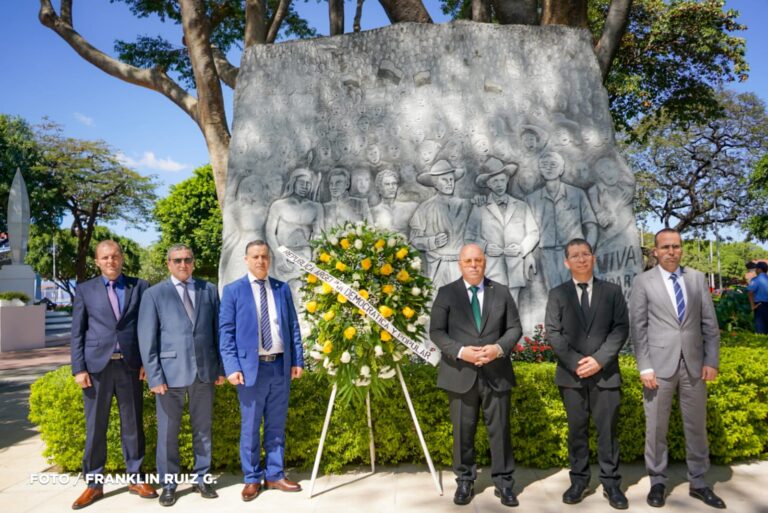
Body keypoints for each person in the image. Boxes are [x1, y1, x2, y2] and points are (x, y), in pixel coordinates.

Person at [629, 228, 725, 509]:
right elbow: (639, 328)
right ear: (655, 251)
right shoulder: (643, 282)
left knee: (696, 427)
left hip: (695, 367)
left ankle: (699, 482)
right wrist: (644, 366)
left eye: (676, 246)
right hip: (658, 368)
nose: (672, 251)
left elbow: (710, 325)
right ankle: (657, 481)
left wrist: (711, 360)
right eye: (666, 247)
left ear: (681, 249)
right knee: (656, 428)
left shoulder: (696, 279)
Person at [429, 243, 522, 507]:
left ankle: (504, 484)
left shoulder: (501, 292)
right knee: (463, 431)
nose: (473, 265)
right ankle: (465, 481)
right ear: (460, 264)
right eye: (468, 260)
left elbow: (514, 328)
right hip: (460, 373)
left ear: (484, 263)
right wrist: (460, 351)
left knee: (500, 430)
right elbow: (436, 332)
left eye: (478, 260)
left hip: (496, 372)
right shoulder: (446, 293)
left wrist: (498, 348)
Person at [69, 240, 156, 509]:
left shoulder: (139, 286)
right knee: (96, 427)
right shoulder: (85, 290)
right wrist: (78, 368)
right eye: (105, 257)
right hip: (96, 368)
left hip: (130, 365)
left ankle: (136, 477)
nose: (111, 261)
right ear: (97, 261)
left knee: (133, 424)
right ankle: (94, 483)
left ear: (122, 258)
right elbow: (77, 332)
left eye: (115, 256)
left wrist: (146, 362)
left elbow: (147, 326)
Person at [545, 239, 629, 509]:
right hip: (571, 376)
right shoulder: (557, 294)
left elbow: (620, 329)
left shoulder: (612, 292)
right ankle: (579, 481)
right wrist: (577, 362)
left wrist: (599, 360)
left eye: (586, 254)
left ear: (593, 258)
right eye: (575, 256)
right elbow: (553, 333)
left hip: (606, 374)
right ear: (566, 262)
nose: (581, 259)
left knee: (608, 432)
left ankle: (611, 483)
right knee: (577, 431)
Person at [138, 245, 225, 506]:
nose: (183, 264)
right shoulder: (154, 294)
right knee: (167, 433)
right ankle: (168, 484)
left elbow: (217, 332)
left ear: (193, 263)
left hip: (204, 373)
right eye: (177, 260)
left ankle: (203, 479)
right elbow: (147, 339)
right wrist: (154, 377)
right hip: (169, 375)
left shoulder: (209, 290)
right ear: (168, 264)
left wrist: (219, 368)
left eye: (187, 260)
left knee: (203, 430)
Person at [219, 240, 305, 502]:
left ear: (270, 260)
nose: (260, 261)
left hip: (279, 365)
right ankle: (252, 478)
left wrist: (297, 360)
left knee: (276, 425)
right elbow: (226, 332)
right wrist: (231, 367)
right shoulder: (233, 291)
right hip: (250, 369)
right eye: (255, 256)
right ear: (246, 259)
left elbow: (293, 327)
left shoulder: (281, 289)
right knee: (251, 427)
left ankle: (275, 474)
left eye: (264, 256)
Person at [466, 156, 539, 305]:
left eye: (501, 180)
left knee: (513, 309)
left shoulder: (521, 206)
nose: (499, 184)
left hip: (514, 267)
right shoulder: (479, 207)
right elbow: (469, 237)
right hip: (491, 269)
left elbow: (533, 233)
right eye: (494, 181)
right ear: (488, 184)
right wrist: (485, 246)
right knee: (492, 309)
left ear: (507, 180)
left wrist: (521, 248)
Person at [527, 151, 597, 291]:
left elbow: (591, 226)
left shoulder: (577, 194)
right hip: (547, 254)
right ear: (540, 169)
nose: (549, 168)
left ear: (561, 169)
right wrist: (527, 254)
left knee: (577, 292)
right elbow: (526, 231)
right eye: (544, 165)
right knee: (554, 293)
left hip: (574, 252)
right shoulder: (532, 199)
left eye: (553, 164)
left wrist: (586, 253)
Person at [410, 160, 473, 290]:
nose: (450, 183)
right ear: (435, 184)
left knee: (461, 307)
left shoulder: (466, 205)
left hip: (461, 267)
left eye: (451, 180)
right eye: (445, 180)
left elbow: (477, 232)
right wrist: (432, 241)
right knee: (437, 305)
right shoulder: (424, 208)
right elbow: (414, 240)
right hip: (437, 268)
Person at [370, 169, 418, 236]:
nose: (391, 187)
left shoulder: (410, 208)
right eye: (387, 184)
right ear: (379, 189)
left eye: (394, 183)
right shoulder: (372, 212)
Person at [746, 261, 768, 334]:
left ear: (759, 269)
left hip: (760, 306)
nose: (755, 270)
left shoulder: (756, 280)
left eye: (756, 269)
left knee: (761, 330)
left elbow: (750, 292)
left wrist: (752, 306)